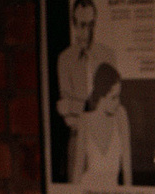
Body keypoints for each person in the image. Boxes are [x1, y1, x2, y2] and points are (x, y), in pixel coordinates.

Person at [56, 0, 116, 181]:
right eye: (82, 25)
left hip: (104, 139)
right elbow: (66, 113)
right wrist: (94, 107)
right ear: (74, 24)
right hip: (78, 138)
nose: (87, 33)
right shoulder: (65, 60)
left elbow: (112, 104)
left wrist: (76, 106)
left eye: (91, 25)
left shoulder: (108, 56)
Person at [71, 62, 132, 186]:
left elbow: (127, 165)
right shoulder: (85, 120)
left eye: (118, 96)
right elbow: (78, 168)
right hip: (87, 191)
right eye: (113, 97)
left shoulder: (120, 114)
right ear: (101, 96)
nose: (117, 102)